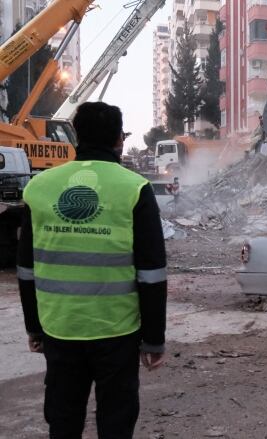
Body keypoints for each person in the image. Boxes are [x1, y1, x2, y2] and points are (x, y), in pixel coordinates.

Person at [17, 102, 167, 438]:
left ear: (75, 136)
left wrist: (34, 328)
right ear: (119, 140)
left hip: (59, 328)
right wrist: (154, 340)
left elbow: (26, 268)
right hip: (117, 331)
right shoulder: (134, 188)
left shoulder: (39, 187)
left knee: (64, 418)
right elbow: (152, 272)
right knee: (116, 420)